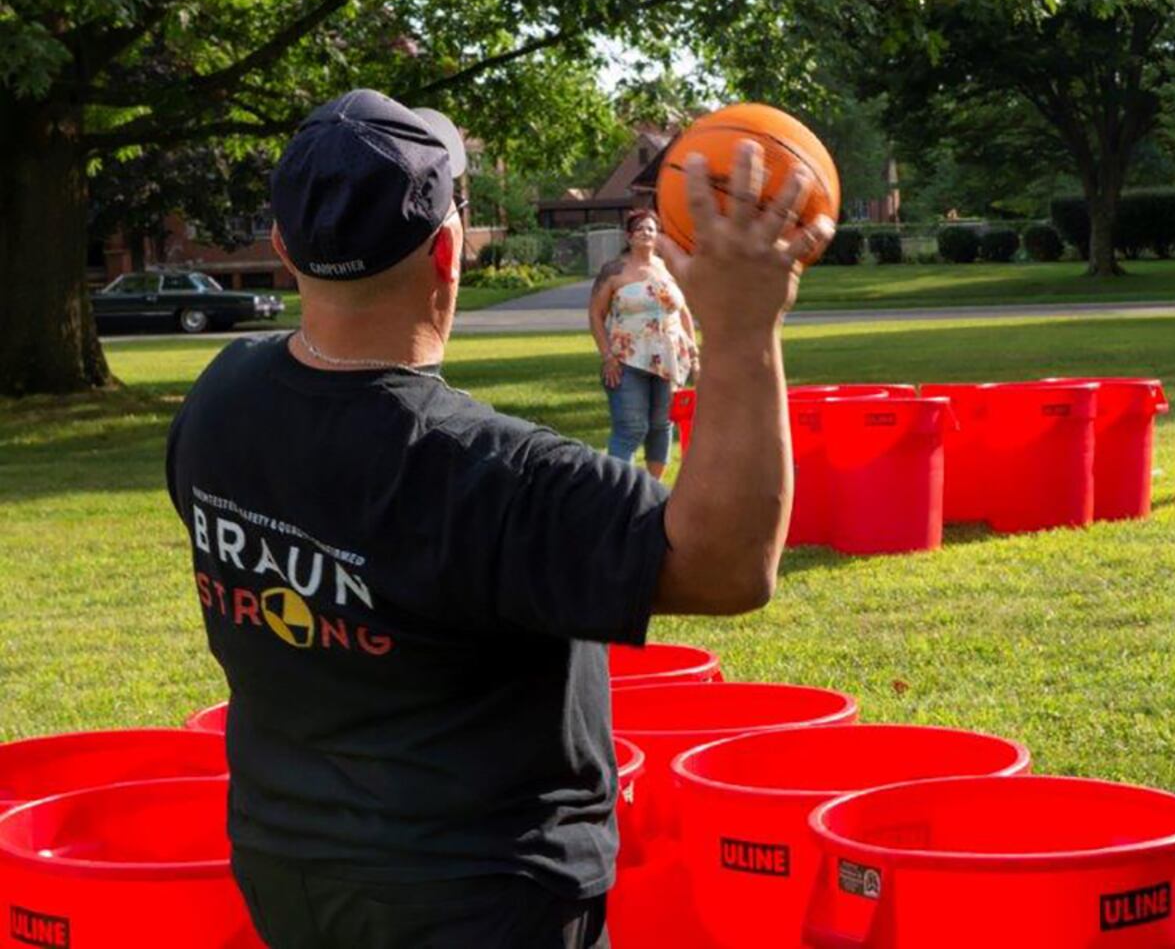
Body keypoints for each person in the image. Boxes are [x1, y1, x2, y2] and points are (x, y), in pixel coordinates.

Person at [164, 88, 832, 948]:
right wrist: (743, 332)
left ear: (286, 247)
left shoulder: (221, 399)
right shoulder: (489, 474)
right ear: (449, 252)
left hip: (287, 866)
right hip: (478, 897)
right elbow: (729, 565)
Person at [588, 209, 698, 478]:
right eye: (640, 229)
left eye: (651, 229)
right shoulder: (614, 270)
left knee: (661, 426)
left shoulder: (669, 267)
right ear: (629, 236)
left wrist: (694, 354)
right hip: (626, 360)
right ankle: (618, 491)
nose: (646, 233)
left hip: (669, 360)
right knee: (631, 428)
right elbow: (595, 314)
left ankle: (653, 489)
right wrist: (607, 357)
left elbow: (683, 312)